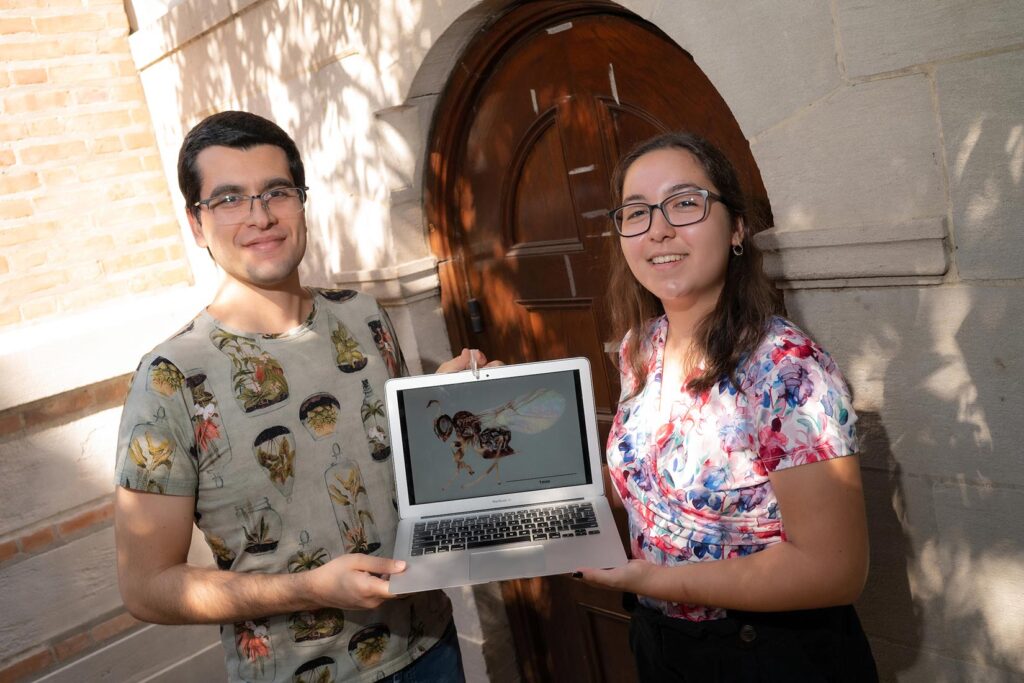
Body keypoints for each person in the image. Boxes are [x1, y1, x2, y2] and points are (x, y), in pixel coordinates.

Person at [113, 110, 484, 682]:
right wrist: (306, 589)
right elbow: (146, 588)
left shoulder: (364, 316)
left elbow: (391, 464)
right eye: (230, 199)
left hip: (430, 647)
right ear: (196, 222)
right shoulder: (169, 378)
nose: (260, 216)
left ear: (301, 201)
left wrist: (442, 404)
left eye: (276, 191)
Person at [575, 132, 878, 681]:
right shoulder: (640, 348)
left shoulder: (788, 370)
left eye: (685, 203)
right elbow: (646, 483)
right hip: (661, 643)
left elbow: (834, 571)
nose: (659, 229)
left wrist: (647, 580)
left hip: (768, 654)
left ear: (736, 227)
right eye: (636, 212)